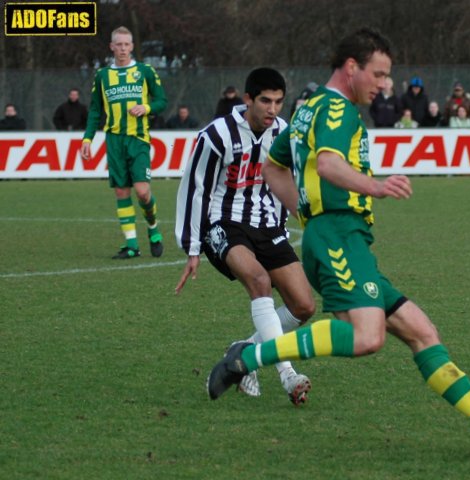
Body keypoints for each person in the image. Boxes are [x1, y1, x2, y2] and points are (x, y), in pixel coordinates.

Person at [207, 28, 470, 451]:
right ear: (351, 68)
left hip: (339, 236)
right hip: (339, 235)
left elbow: (273, 168)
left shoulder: (309, 109)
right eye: (378, 74)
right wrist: (373, 187)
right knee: (367, 337)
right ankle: (246, 358)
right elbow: (326, 165)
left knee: (421, 331)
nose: (384, 85)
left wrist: (307, 212)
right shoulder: (338, 110)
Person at [174, 67, 316, 405]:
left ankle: (245, 353)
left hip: (267, 225)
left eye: (279, 102)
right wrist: (193, 247)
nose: (272, 109)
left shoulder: (284, 133)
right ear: (248, 99)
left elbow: (289, 182)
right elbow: (196, 190)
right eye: (265, 101)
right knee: (259, 280)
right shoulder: (216, 135)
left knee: (303, 305)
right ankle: (287, 375)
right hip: (224, 224)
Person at [81, 26, 167, 259]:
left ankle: (153, 228)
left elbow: (161, 100)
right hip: (114, 139)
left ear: (132, 46)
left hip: (138, 138)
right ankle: (131, 245)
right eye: (118, 44)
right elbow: (95, 110)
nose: (123, 49)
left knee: (142, 191)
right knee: (121, 191)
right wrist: (87, 138)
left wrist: (147, 107)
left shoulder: (145, 71)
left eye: (127, 44)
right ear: (112, 47)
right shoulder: (102, 76)